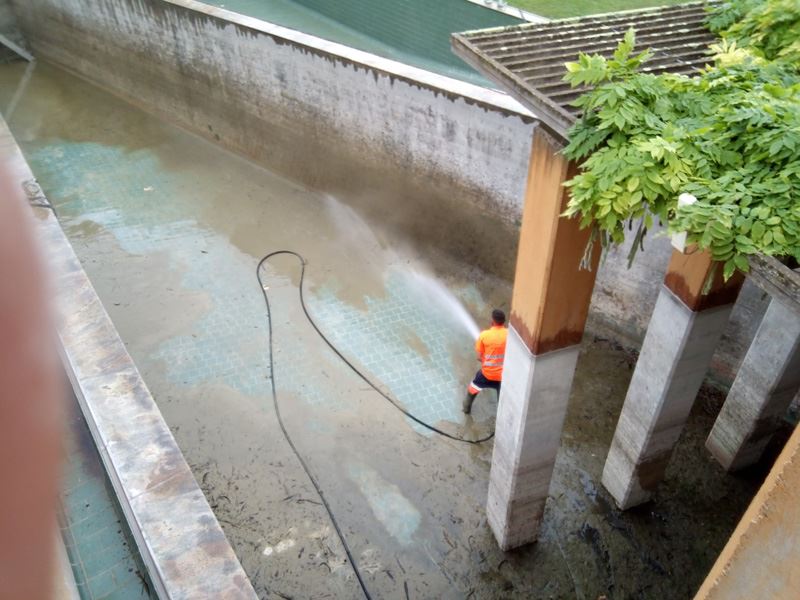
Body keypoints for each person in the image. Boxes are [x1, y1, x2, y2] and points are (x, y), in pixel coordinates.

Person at [463, 309, 507, 415]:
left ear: (492, 321)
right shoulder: (509, 334)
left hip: (486, 375)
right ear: (504, 321)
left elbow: (480, 357)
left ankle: (466, 409)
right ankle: (502, 417)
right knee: (503, 400)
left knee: (472, 390)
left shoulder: (484, 335)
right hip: (504, 376)